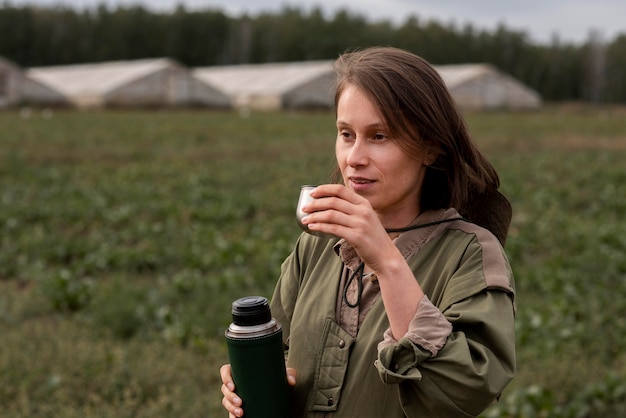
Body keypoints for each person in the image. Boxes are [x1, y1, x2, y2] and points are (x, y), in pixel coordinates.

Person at [220, 46, 516, 418]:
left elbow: (471, 388)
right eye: (346, 134)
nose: (354, 158)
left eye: (379, 136)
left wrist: (388, 262)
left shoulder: (471, 253)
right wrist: (248, 381)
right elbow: (280, 356)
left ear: (430, 148)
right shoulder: (315, 244)